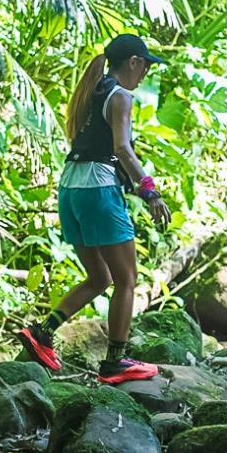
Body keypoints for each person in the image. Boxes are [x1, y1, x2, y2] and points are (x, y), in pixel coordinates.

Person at [15, 34, 172, 384]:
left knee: (101, 277)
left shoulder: (93, 90)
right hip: (98, 190)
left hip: (71, 188)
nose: (145, 73)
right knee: (127, 280)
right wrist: (151, 192)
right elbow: (123, 149)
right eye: (145, 65)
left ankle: (42, 333)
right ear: (133, 62)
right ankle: (116, 361)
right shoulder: (121, 97)